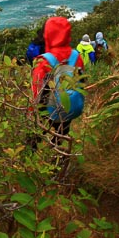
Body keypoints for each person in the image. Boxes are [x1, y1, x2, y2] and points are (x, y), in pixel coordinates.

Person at [30, 16, 85, 145]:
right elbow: (81, 81)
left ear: (47, 35)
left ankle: (41, 157)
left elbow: (36, 92)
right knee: (62, 134)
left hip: (50, 111)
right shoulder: (76, 56)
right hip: (72, 107)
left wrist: (32, 114)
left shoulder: (43, 62)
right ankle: (60, 155)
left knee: (37, 139)